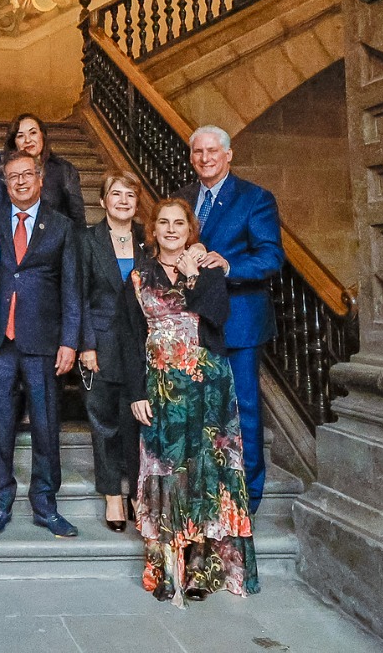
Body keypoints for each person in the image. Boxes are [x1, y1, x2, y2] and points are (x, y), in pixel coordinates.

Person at [118, 198, 258, 602]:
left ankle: (201, 570)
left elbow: (216, 316)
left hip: (207, 385)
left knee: (205, 473)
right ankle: (167, 568)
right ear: (154, 230)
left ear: (190, 230)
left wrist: (193, 274)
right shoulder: (138, 277)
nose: (172, 229)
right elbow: (129, 338)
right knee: (167, 471)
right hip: (161, 387)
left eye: (180, 223)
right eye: (164, 222)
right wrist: (136, 392)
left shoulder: (209, 270)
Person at [0, 150, 82, 538]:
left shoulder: (61, 226)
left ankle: (45, 503)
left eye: (27, 174)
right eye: (13, 176)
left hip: (44, 340)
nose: (21, 181)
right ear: (4, 183)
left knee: (45, 426)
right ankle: (0, 502)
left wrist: (70, 342)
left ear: (40, 179)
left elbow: (72, 288)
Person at [189, 126, 282, 509]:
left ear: (229, 155)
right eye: (198, 152)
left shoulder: (254, 198)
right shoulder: (182, 198)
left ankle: (249, 496)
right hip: (191, 322)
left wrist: (229, 265)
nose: (205, 158)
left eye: (213, 151)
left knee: (243, 409)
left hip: (238, 322)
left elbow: (271, 256)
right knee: (200, 409)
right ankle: (208, 490)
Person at [79, 171, 144, 531]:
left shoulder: (148, 243)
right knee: (104, 421)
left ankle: (137, 491)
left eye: (129, 195)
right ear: (102, 201)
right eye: (115, 194)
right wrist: (85, 344)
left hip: (141, 346)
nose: (122, 200)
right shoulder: (87, 241)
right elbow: (79, 295)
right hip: (100, 344)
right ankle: (113, 497)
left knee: (137, 422)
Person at [0, 112, 86, 223]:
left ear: (42, 135)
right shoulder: (3, 171)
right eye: (20, 136)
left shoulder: (64, 170)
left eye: (33, 133)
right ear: (14, 142)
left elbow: (77, 218)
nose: (28, 140)